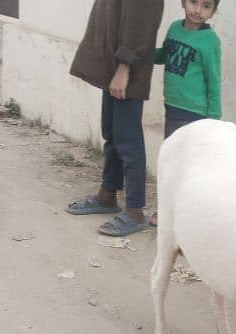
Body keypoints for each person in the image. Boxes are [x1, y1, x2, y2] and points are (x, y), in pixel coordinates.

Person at [66, 0, 164, 236]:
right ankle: (107, 194)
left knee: (128, 140)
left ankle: (135, 210)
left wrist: (124, 68)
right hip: (113, 66)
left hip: (127, 71)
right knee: (111, 132)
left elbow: (141, 21)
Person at [150, 0, 222, 226]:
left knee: (189, 167)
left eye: (206, 6)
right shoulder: (173, 28)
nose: (198, 10)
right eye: (193, 2)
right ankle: (168, 213)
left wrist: (213, 117)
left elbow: (214, 79)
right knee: (171, 162)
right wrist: (142, 52)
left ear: (213, 12)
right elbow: (164, 55)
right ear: (183, 2)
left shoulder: (210, 41)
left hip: (195, 113)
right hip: (172, 107)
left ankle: (187, 217)